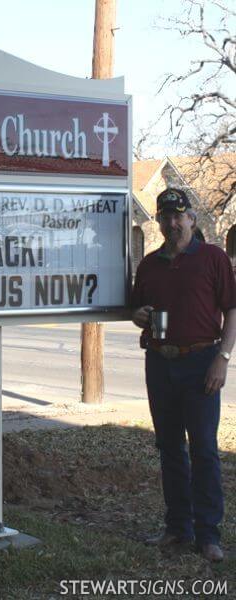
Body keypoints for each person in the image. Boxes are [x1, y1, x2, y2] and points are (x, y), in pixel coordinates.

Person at [131, 187, 236, 562]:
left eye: (179, 216)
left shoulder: (213, 258)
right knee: (170, 449)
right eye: (165, 217)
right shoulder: (149, 265)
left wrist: (222, 358)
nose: (172, 223)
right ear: (158, 220)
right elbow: (138, 308)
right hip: (160, 363)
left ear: (191, 218)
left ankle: (208, 536)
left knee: (205, 449)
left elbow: (231, 310)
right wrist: (139, 315)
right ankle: (178, 528)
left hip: (201, 362)